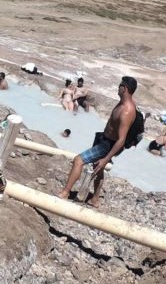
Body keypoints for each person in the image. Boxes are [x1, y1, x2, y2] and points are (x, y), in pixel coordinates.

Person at [57, 76, 139, 205]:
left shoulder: (127, 110)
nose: (118, 88)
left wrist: (106, 159)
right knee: (98, 169)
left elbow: (121, 140)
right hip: (104, 139)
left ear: (124, 89)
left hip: (108, 144)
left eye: (120, 85)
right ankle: (95, 200)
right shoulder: (122, 103)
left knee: (78, 160)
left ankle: (65, 192)